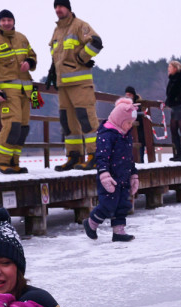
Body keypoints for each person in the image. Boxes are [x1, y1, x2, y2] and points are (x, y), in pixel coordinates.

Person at [0, 9, 37, 174]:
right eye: (3, 20)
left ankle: (14, 162)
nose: (6, 23)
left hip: (26, 91)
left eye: (9, 20)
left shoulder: (22, 38)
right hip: (8, 93)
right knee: (12, 126)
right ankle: (2, 161)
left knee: (23, 129)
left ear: (13, 21)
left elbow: (33, 56)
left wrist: (30, 62)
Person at [46, 0, 102, 171]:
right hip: (63, 85)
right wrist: (52, 72)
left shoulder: (80, 25)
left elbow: (96, 43)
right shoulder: (57, 31)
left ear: (68, 8)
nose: (58, 9)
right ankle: (75, 157)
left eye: (61, 6)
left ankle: (95, 156)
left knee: (86, 119)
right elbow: (56, 55)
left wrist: (81, 58)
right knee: (67, 122)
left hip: (80, 83)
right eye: (56, 7)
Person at [83, 98, 140, 243]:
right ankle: (91, 223)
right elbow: (101, 157)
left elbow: (129, 158)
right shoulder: (107, 134)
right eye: (128, 123)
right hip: (110, 177)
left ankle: (119, 231)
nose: (129, 126)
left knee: (123, 205)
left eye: (131, 123)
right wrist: (104, 174)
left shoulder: (125, 135)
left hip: (124, 176)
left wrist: (133, 175)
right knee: (108, 204)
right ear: (120, 119)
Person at [164, 60, 181, 162]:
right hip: (175, 109)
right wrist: (167, 102)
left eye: (170, 67)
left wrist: (176, 100)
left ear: (175, 69)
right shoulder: (171, 80)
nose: (168, 69)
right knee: (173, 130)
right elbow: (170, 95)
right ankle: (178, 153)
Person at [123, 86, 147, 163]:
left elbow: (142, 113)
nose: (128, 96)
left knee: (140, 144)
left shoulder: (139, 103)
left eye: (129, 94)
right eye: (127, 94)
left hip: (140, 128)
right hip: (129, 128)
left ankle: (141, 161)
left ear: (133, 94)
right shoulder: (124, 104)